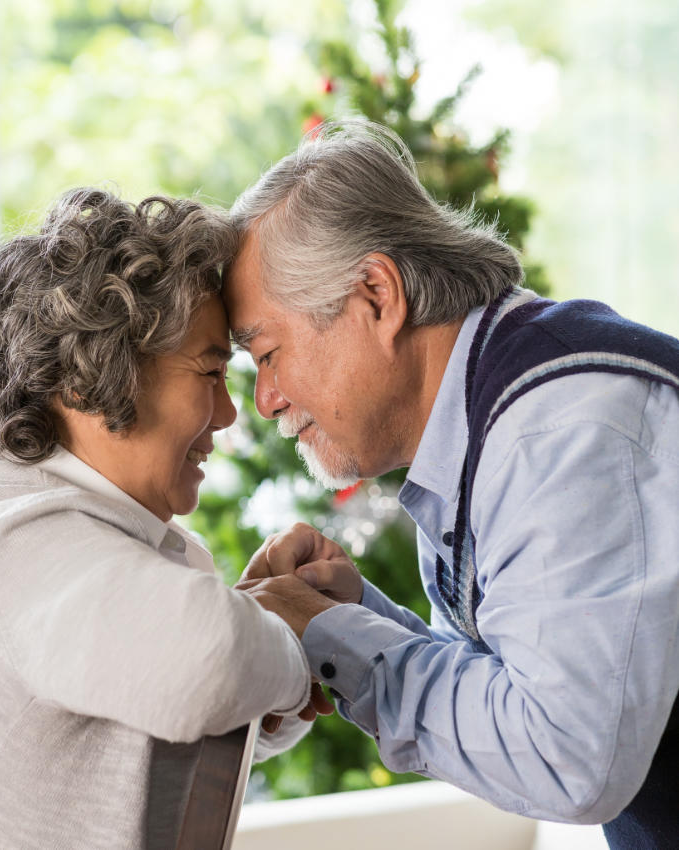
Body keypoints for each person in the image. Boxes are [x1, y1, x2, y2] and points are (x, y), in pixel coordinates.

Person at [224, 121, 679, 849]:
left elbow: (569, 760)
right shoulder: (490, 411)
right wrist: (354, 613)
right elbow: (519, 681)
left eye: (269, 354)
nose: (266, 400)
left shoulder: (556, 435)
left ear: (377, 294)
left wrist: (332, 636)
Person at [0, 188, 327, 850]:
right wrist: (286, 626)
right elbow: (210, 662)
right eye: (210, 373)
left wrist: (261, 627)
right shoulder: (17, 537)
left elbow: (161, 740)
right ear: (88, 379)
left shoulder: (82, 532)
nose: (228, 415)